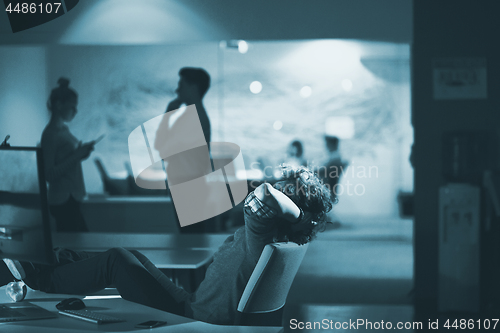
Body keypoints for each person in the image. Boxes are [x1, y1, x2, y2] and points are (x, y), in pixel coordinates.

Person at [0, 165, 333, 325]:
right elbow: (270, 199)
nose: (276, 185)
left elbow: (264, 195)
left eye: (284, 185)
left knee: (117, 259)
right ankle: (43, 262)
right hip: (193, 303)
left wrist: (282, 196)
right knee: (132, 256)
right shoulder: (280, 235)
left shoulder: (264, 231)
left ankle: (36, 277)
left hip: (195, 316)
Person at [154, 67, 212, 233]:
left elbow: (162, 148)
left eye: (182, 84)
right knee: (191, 237)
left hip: (188, 186)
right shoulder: (190, 116)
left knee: (191, 238)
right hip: (188, 184)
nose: (177, 89)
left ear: (193, 87)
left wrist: (168, 114)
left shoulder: (192, 118)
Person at [41, 78, 95, 232]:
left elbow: (70, 158)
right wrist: (77, 155)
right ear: (59, 105)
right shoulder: (50, 134)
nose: (75, 111)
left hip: (71, 198)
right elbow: (49, 174)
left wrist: (81, 153)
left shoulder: (63, 130)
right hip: (63, 201)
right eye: (72, 107)